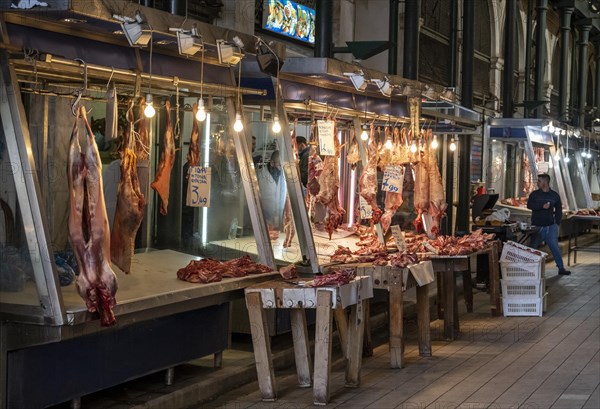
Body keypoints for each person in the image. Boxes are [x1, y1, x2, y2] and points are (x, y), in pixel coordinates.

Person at [527, 173, 571, 275]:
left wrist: (557, 223)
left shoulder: (554, 195)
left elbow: (559, 210)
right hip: (537, 227)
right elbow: (529, 205)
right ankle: (528, 269)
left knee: (555, 247)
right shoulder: (534, 194)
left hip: (550, 227)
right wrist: (542, 206)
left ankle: (561, 268)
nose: (537, 183)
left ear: (546, 182)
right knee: (532, 247)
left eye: (539, 181)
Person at [257, 150, 286, 230]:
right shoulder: (260, 175)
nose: (280, 168)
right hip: (265, 219)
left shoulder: (283, 175)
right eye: (279, 165)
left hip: (280, 219)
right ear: (272, 163)